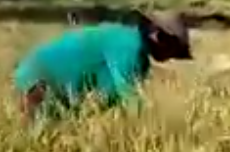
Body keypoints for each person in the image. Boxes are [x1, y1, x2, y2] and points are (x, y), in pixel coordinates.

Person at [13, 10, 193, 121]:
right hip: (41, 79)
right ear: (159, 37)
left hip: (51, 84)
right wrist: (158, 132)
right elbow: (131, 101)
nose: (171, 58)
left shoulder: (138, 55)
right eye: (173, 51)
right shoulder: (130, 46)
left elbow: (117, 103)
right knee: (40, 140)